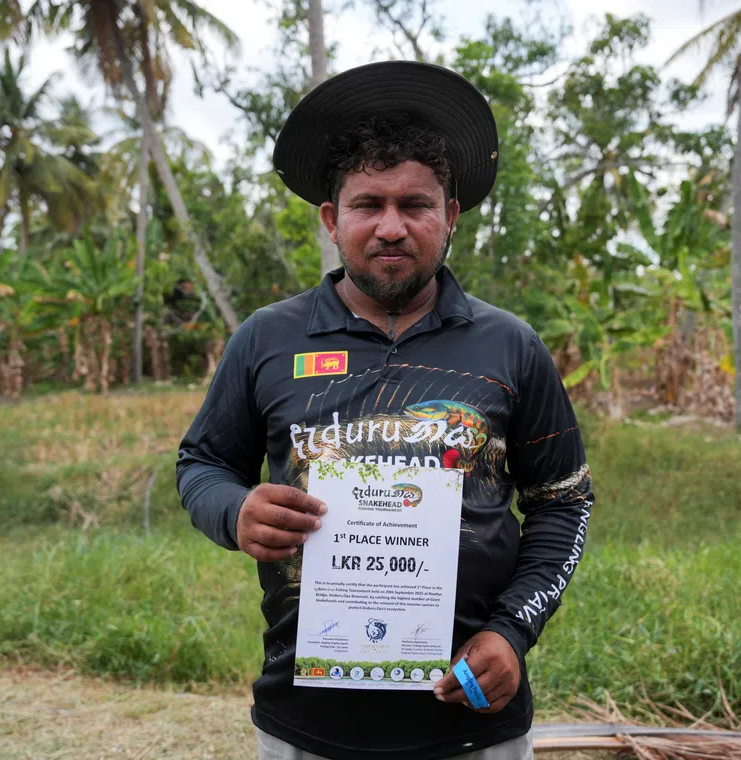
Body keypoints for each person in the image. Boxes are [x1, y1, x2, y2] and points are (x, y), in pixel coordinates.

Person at [176, 60, 594, 760]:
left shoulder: (510, 347)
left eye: (416, 205)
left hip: (474, 724)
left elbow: (563, 503)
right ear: (333, 220)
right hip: (305, 723)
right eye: (370, 205)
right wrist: (234, 510)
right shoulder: (267, 339)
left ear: (450, 217)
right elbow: (203, 464)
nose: (392, 226)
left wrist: (513, 631)